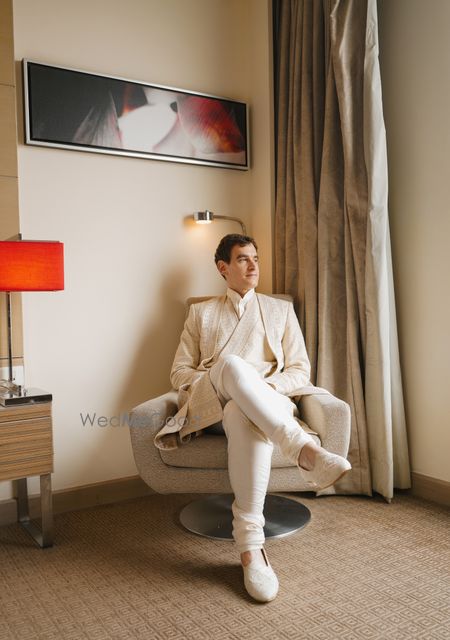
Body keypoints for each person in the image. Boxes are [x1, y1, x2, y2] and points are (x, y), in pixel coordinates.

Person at [156, 234, 351, 603]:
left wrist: (258, 390)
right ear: (223, 268)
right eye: (243, 259)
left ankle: (251, 550)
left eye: (255, 258)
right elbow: (179, 373)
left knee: (241, 410)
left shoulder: (280, 310)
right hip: (211, 405)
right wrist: (222, 379)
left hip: (264, 407)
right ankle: (303, 449)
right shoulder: (201, 313)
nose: (253, 266)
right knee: (231, 366)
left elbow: (300, 371)